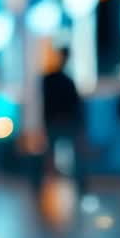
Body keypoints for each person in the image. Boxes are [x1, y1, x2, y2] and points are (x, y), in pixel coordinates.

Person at [42, 47, 86, 191]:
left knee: (52, 154)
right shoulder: (65, 81)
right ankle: (77, 185)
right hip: (63, 121)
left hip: (57, 121)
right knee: (67, 155)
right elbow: (76, 105)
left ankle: (49, 183)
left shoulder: (51, 80)